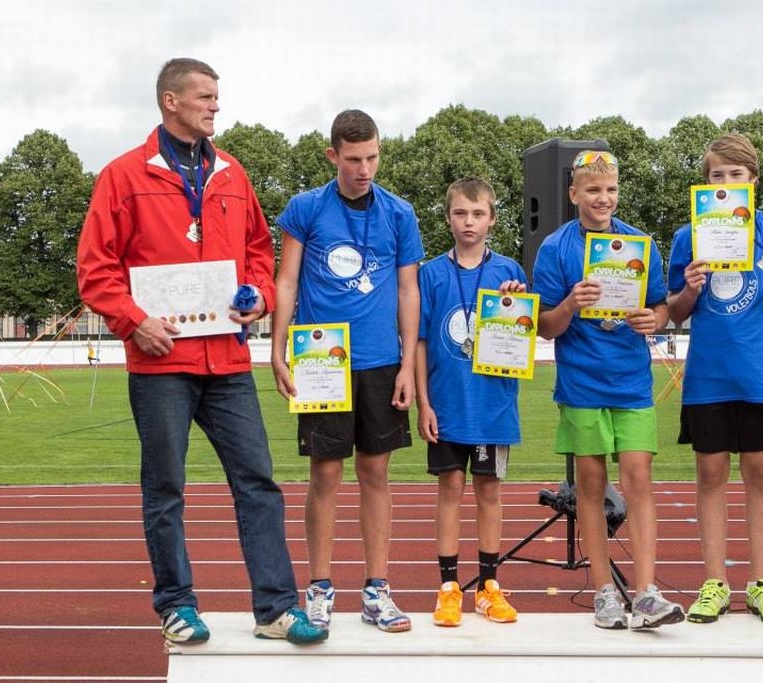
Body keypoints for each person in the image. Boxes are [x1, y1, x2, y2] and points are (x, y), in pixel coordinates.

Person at [76, 58, 325, 646]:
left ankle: (275, 608)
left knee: (258, 482)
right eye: (206, 97)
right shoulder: (122, 176)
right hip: (161, 364)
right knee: (166, 488)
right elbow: (95, 270)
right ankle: (176, 606)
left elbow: (260, 254)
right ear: (171, 101)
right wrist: (135, 322)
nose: (216, 106)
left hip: (228, 362)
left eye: (217, 97)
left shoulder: (233, 175)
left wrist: (258, 297)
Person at [271, 110, 424, 633]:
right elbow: (286, 282)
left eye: (373, 157)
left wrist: (407, 364)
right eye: (354, 159)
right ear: (333, 155)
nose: (365, 169)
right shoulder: (305, 208)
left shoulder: (400, 213)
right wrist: (276, 348)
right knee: (327, 473)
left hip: (380, 361)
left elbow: (408, 290)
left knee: (376, 472)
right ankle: (318, 588)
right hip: (320, 359)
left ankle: (378, 590)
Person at [532, 146, 685, 630]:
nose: (604, 199)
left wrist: (650, 319)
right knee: (592, 490)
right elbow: (545, 327)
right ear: (574, 193)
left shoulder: (640, 244)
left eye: (611, 190)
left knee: (639, 481)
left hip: (632, 382)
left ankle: (646, 593)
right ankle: (603, 593)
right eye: (594, 190)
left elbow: (661, 309)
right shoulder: (556, 248)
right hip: (581, 386)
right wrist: (571, 304)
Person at [667, 133, 763, 626]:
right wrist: (687, 289)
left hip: (761, 377)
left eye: (735, 175)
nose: (725, 182)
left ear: (753, 180)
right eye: (716, 175)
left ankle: (762, 584)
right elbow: (675, 313)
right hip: (709, 376)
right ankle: (714, 583)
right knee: (710, 477)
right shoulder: (688, 236)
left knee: (760, 476)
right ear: (705, 182)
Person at [416, 177, 526, 627]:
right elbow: (421, 341)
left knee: (489, 492)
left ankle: (488, 587)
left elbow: (523, 332)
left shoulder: (509, 271)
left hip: (492, 405)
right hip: (446, 404)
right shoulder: (431, 273)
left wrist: (519, 306)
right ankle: (448, 588)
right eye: (460, 213)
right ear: (448, 217)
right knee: (448, 491)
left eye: (478, 214)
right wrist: (423, 403)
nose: (469, 222)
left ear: (492, 219)